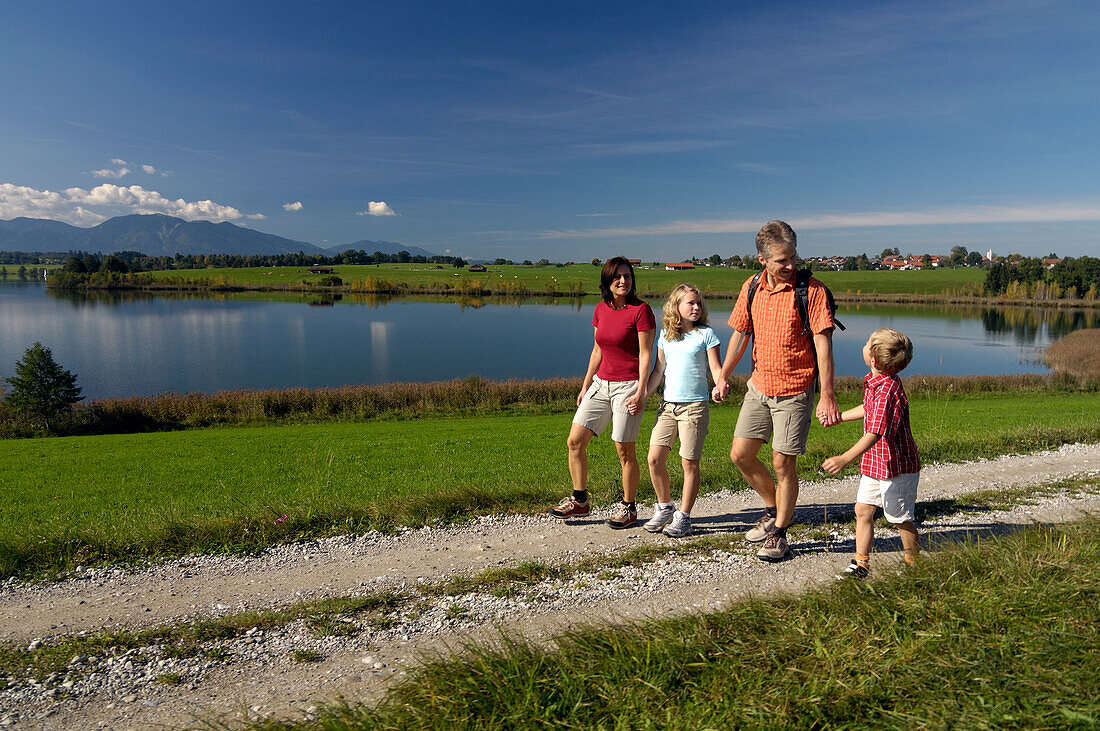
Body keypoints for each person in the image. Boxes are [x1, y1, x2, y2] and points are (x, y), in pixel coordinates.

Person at [713, 221, 839, 562]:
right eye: (782, 260)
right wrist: (723, 375)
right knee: (740, 454)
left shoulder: (812, 291)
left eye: (793, 258)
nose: (789, 266)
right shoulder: (751, 287)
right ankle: (773, 509)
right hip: (759, 385)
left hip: (795, 389)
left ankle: (780, 533)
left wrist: (826, 395)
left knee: (783, 463)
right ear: (762, 259)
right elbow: (739, 335)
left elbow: (823, 346)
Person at [549, 256, 656, 529]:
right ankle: (580, 501)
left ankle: (629, 507)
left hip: (628, 386)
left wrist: (641, 391)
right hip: (601, 383)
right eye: (617, 276)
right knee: (575, 441)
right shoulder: (600, 310)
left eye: (628, 276)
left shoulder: (641, 310)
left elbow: (646, 355)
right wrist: (585, 386)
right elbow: (597, 350)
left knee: (624, 449)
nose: (624, 281)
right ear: (607, 281)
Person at [822, 328, 921, 578]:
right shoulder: (877, 381)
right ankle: (861, 563)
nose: (864, 344)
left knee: (899, 518)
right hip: (876, 463)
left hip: (895, 467)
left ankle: (914, 563)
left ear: (874, 359)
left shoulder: (887, 390)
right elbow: (869, 409)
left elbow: (875, 432)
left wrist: (844, 458)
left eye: (867, 343)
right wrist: (840, 417)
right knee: (863, 510)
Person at [641, 284, 723, 538]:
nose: (696, 307)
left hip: (695, 407)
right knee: (654, 459)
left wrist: (720, 384)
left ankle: (684, 517)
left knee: (689, 463)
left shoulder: (706, 334)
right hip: (668, 407)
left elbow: (716, 368)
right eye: (690, 303)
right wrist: (642, 396)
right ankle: (665, 507)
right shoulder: (666, 335)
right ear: (676, 306)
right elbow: (658, 372)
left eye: (698, 303)